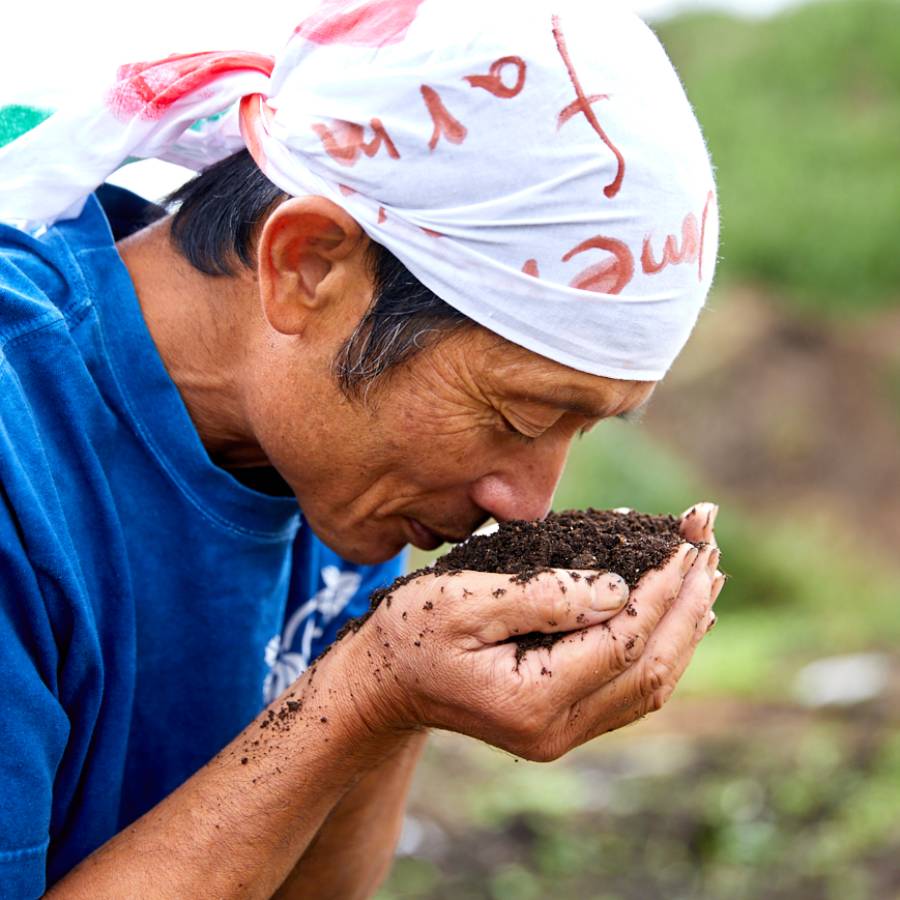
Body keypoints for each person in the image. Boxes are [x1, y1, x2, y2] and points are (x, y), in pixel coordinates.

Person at [0, 1, 724, 896]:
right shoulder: (20, 453)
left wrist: (400, 699)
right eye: (519, 416)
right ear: (308, 265)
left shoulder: (338, 463)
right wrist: (363, 695)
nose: (526, 503)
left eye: (586, 426)